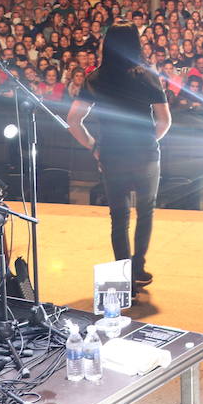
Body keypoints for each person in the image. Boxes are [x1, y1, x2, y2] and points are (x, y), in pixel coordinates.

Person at [66, 24, 170, 287]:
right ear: (135, 45)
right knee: (146, 212)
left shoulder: (95, 78)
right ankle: (139, 268)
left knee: (119, 218)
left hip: (112, 155)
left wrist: (93, 147)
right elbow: (165, 121)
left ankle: (123, 279)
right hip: (145, 154)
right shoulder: (147, 76)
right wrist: (148, 141)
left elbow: (73, 121)